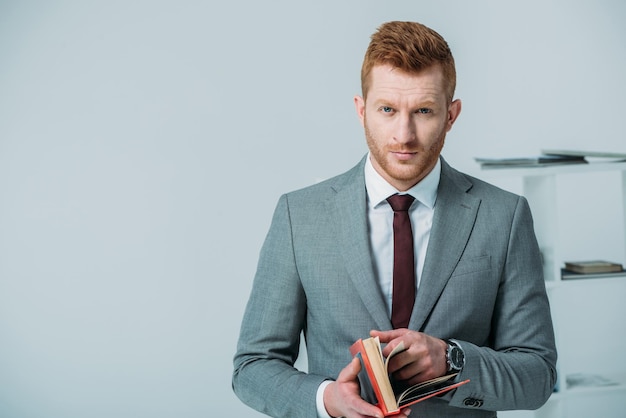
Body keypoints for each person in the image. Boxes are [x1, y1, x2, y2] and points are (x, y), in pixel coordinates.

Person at [232, 20, 557, 418]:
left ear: (451, 115)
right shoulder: (298, 216)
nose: (404, 135)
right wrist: (327, 400)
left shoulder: (505, 216)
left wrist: (452, 360)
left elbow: (537, 376)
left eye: (423, 111)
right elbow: (252, 368)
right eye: (387, 110)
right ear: (361, 110)